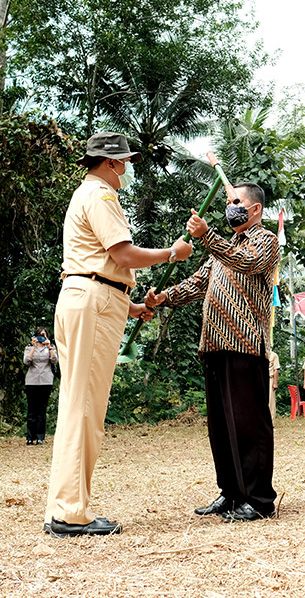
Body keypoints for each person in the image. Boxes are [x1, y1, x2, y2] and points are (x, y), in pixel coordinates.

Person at [43, 131, 192, 539]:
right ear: (110, 163)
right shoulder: (101, 196)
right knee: (85, 407)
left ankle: (66, 505)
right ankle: (70, 512)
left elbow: (95, 263)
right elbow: (122, 255)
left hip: (91, 295)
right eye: (124, 161)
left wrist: (131, 305)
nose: (126, 169)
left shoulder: (85, 195)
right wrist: (172, 253)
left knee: (79, 403)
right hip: (93, 300)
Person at [147, 182, 281, 523]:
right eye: (227, 201)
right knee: (222, 426)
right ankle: (232, 492)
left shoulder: (263, 241)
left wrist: (207, 236)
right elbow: (198, 282)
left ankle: (260, 499)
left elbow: (246, 262)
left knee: (249, 424)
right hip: (215, 344)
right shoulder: (222, 249)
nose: (229, 206)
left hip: (246, 345)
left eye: (236, 201)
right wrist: (163, 298)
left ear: (255, 210)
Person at [23, 327, 56, 446]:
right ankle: (30, 437)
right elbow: (26, 361)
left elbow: (54, 360)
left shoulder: (50, 348)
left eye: (44, 335)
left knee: (42, 410)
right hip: (32, 381)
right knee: (32, 410)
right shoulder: (29, 348)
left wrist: (49, 346)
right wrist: (34, 347)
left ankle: (40, 437)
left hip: (46, 381)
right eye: (40, 335)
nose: (42, 337)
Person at [268, 350, 280, 418]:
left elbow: (276, 369)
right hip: (261, 378)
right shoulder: (260, 354)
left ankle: (271, 420)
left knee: (271, 400)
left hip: (270, 378)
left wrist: (275, 382)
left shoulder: (273, 355)